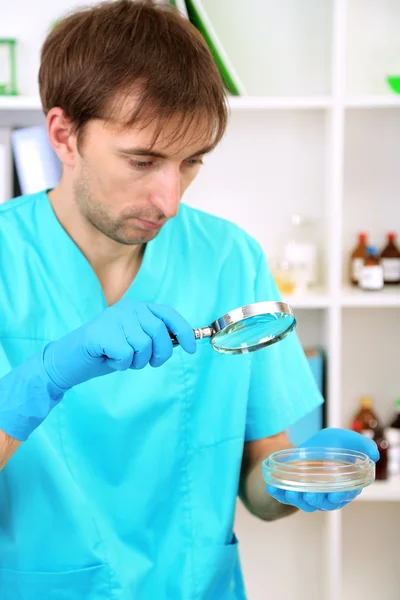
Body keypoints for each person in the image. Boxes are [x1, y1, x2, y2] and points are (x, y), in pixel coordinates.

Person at [0, 2, 378, 599]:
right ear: (63, 135)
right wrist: (42, 378)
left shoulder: (229, 258)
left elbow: (258, 476)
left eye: (192, 162)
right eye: (142, 160)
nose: (169, 200)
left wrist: (291, 479)